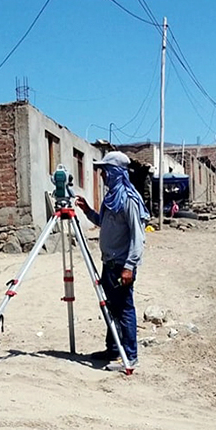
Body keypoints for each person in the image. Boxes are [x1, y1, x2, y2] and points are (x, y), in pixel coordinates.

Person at [75, 151, 149, 371]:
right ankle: (113, 349)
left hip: (121, 265)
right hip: (108, 262)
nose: (102, 176)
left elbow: (138, 237)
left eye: (105, 172)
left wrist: (129, 266)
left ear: (116, 172)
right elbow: (103, 223)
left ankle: (130, 356)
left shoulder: (128, 200)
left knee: (124, 309)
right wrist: (88, 211)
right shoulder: (111, 199)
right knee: (111, 308)